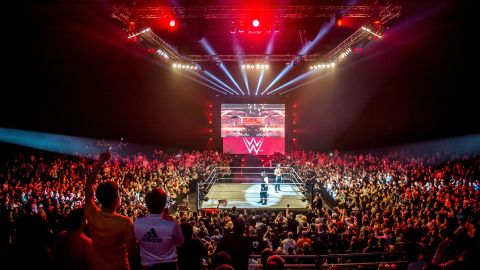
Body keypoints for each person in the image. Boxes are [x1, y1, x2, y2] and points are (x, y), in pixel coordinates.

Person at [84, 151, 136, 270]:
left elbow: (88, 186)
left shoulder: (91, 214)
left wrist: (100, 162)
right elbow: (132, 252)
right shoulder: (125, 222)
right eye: (119, 194)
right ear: (116, 200)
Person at [134, 188, 184, 270]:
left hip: (147, 266)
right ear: (164, 205)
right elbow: (180, 242)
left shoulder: (137, 223)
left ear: (147, 204)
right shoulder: (172, 224)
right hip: (169, 266)